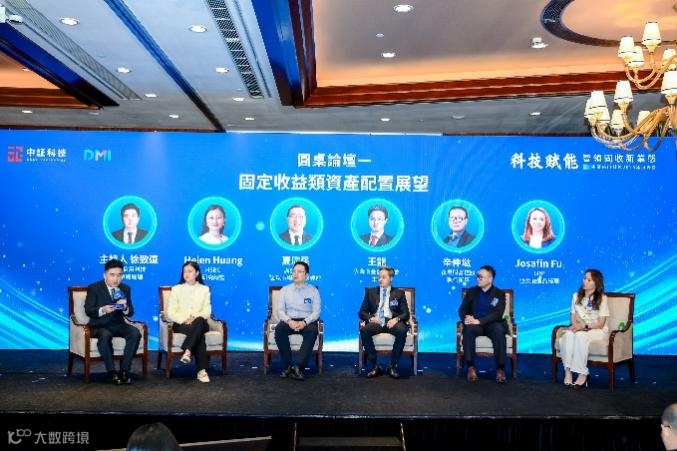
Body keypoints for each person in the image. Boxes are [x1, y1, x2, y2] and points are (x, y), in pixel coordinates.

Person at [84, 258, 142, 384]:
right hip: (99, 325)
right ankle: (111, 372)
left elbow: (131, 312)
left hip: (118, 324)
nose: (116, 279)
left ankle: (124, 371)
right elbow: (88, 310)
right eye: (112, 275)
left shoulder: (125, 288)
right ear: (104, 275)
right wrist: (103, 310)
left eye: (119, 275)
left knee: (135, 333)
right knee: (105, 335)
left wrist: (125, 308)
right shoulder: (94, 288)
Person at [558, 269, 609, 388]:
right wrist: (576, 326)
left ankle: (582, 373)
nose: (585, 281)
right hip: (579, 328)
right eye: (584, 278)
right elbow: (573, 317)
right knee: (568, 335)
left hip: (597, 330)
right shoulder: (576, 296)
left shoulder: (602, 298)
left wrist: (584, 326)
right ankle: (568, 371)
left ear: (596, 283)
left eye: (589, 280)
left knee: (581, 335)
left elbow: (601, 323)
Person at [458, 264, 508, 383]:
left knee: (499, 330)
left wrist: (480, 321)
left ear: (490, 279)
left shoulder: (499, 294)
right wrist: (466, 318)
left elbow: (498, 314)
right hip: (475, 324)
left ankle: (500, 369)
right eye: (477, 276)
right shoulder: (472, 291)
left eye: (481, 277)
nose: (478, 279)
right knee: (468, 329)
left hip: (492, 324)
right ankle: (471, 367)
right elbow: (462, 309)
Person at [358, 265, 410, 379]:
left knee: (402, 330)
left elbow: (406, 314)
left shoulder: (399, 293)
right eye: (379, 277)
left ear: (391, 278)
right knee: (365, 331)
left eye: (383, 277)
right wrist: (371, 318)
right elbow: (361, 312)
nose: (380, 279)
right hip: (377, 321)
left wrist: (396, 319)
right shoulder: (371, 292)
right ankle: (375, 366)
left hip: (392, 321)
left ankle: (392, 366)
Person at [165, 261, 212, 383]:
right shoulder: (176, 289)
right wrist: (184, 319)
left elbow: (207, 311)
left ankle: (187, 350)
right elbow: (170, 312)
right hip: (182, 324)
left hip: (199, 322)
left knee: (200, 321)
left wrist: (194, 318)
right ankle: (201, 371)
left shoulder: (204, 289)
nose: (187, 274)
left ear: (197, 273)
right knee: (199, 335)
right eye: (185, 271)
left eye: (190, 271)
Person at [275, 261, 321, 381]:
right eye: (294, 271)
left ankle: (298, 366)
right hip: (289, 320)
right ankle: (288, 365)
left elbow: (316, 312)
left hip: (306, 321)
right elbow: (280, 311)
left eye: (300, 271)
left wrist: (305, 322)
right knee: (279, 329)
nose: (295, 274)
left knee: (312, 331)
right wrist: (289, 321)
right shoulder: (285, 290)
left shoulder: (313, 291)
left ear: (306, 275)